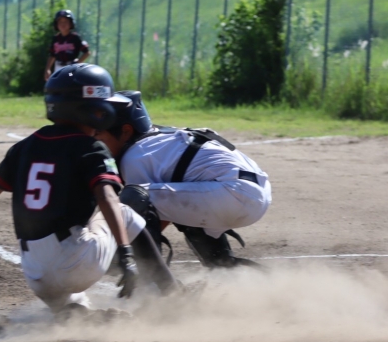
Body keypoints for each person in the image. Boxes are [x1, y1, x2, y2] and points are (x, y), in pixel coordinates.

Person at [0, 64, 179, 319]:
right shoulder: (89, 147)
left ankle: (71, 312)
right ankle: (172, 293)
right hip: (76, 265)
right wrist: (125, 253)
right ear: (91, 109)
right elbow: (107, 197)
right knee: (125, 212)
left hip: (36, 275)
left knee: (75, 303)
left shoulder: (23, 147)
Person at [95, 91, 272, 268]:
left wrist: (122, 250)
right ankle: (224, 266)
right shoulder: (161, 139)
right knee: (179, 198)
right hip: (255, 195)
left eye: (99, 134)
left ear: (126, 131)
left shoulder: (134, 157)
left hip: (231, 195)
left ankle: (152, 277)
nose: (95, 142)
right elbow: (165, 208)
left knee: (135, 196)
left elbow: (143, 213)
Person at [43, 10, 90, 82]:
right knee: (57, 84)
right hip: (58, 66)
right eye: (60, 22)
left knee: (69, 82)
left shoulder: (75, 37)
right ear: (56, 24)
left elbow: (87, 52)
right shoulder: (56, 38)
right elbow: (52, 55)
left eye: (65, 21)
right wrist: (48, 69)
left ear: (71, 23)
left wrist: (78, 62)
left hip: (71, 67)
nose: (63, 24)